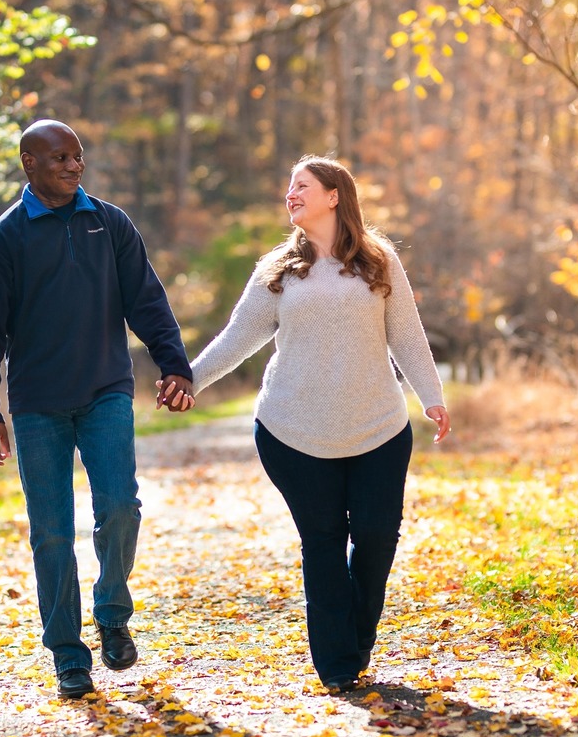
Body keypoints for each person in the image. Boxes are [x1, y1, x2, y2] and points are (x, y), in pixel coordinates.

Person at [159, 155, 450, 692]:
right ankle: (337, 665)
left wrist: (431, 396)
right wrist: (188, 380)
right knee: (322, 540)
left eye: (303, 186)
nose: (291, 194)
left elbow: (406, 334)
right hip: (291, 430)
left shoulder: (378, 260)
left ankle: (355, 638)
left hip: (378, 428)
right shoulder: (277, 270)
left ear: (334, 196)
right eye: (289, 187)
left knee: (376, 537)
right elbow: (237, 338)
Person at [0, 119, 194, 700]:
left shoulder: (109, 224)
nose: (74, 166)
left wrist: (174, 364)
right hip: (37, 405)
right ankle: (68, 655)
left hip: (106, 392)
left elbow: (147, 299)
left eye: (78, 156)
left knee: (119, 506)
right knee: (50, 533)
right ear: (29, 163)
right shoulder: (8, 237)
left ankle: (112, 612)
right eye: (60, 158)